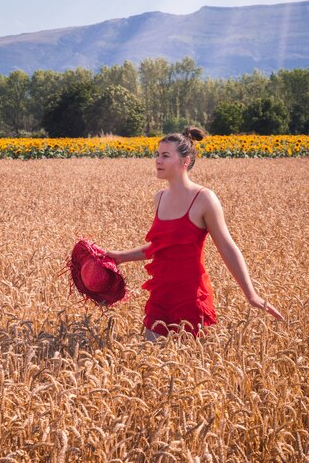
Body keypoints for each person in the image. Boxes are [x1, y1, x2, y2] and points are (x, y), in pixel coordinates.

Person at [106, 127, 284, 340]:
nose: (157, 160)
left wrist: (251, 294)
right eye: (157, 155)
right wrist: (121, 256)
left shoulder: (204, 199)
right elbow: (162, 247)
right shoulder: (159, 198)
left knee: (188, 361)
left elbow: (227, 247)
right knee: (149, 361)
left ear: (185, 161)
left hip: (190, 298)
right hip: (160, 296)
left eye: (165, 155)